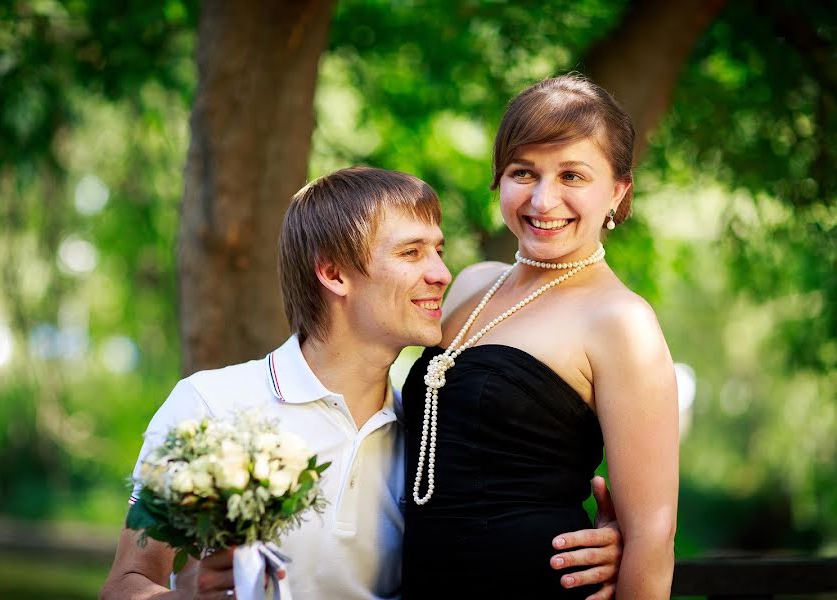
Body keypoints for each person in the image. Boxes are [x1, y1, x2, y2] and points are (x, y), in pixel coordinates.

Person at [101, 167, 624, 600]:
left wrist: (596, 548)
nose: (442, 273)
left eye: (439, 251)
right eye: (412, 252)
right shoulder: (209, 405)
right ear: (334, 274)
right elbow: (127, 583)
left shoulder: (428, 446)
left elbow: (491, 537)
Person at [402, 75, 680, 599]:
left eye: (573, 175)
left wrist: (628, 546)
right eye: (522, 172)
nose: (544, 199)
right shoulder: (472, 282)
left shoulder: (621, 321)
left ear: (618, 191)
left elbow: (653, 536)